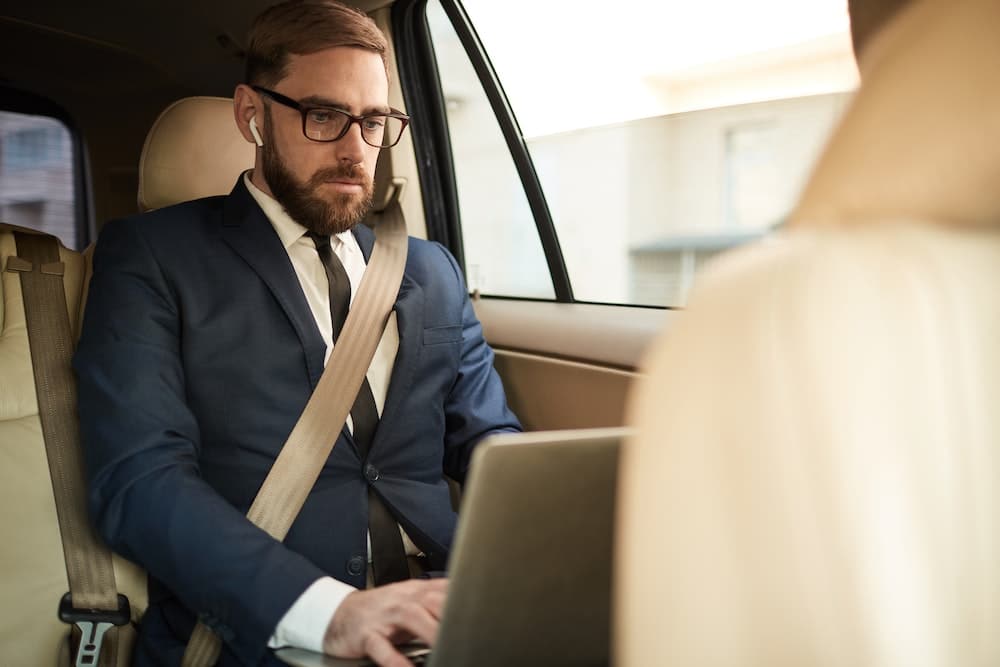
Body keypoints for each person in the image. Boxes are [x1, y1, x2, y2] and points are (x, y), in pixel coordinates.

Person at [73, 1, 521, 665]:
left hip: (448, 618)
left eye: (374, 121)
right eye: (324, 115)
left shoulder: (430, 270)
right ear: (252, 115)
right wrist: (330, 610)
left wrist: (541, 557)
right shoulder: (150, 257)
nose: (354, 149)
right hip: (263, 633)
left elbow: (491, 444)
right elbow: (140, 481)